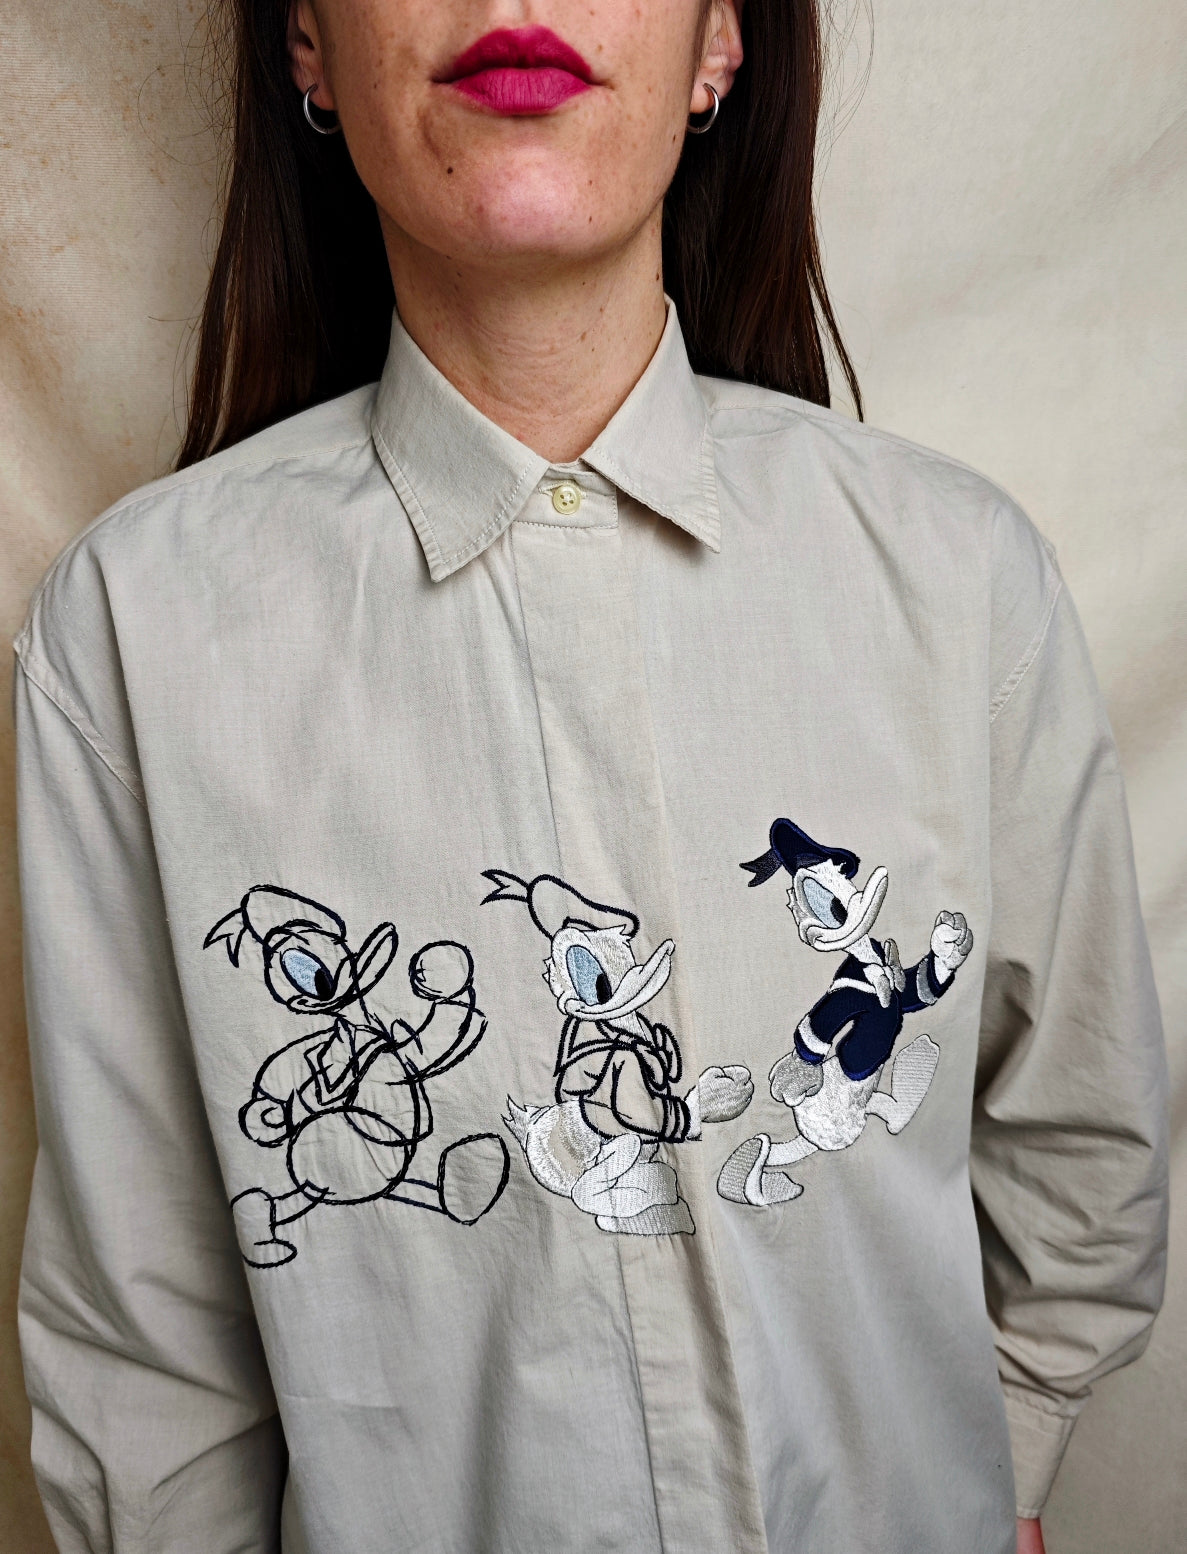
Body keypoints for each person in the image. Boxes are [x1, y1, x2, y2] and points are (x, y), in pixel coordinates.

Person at [13, 2, 1167, 1551]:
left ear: (718, 44)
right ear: (308, 44)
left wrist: (990, 1473)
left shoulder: (957, 582)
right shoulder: (136, 632)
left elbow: (1084, 1147)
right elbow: (139, 1353)